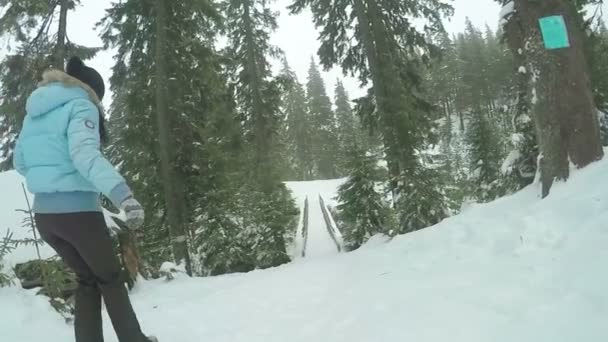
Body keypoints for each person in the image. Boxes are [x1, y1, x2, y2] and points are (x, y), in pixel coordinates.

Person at [13, 56, 157, 342]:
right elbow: (85, 155)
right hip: (78, 215)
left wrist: (49, 179)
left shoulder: (35, 112)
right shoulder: (82, 104)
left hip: (45, 217)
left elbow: (20, 162)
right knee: (110, 279)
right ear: (92, 90)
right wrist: (123, 196)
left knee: (88, 280)